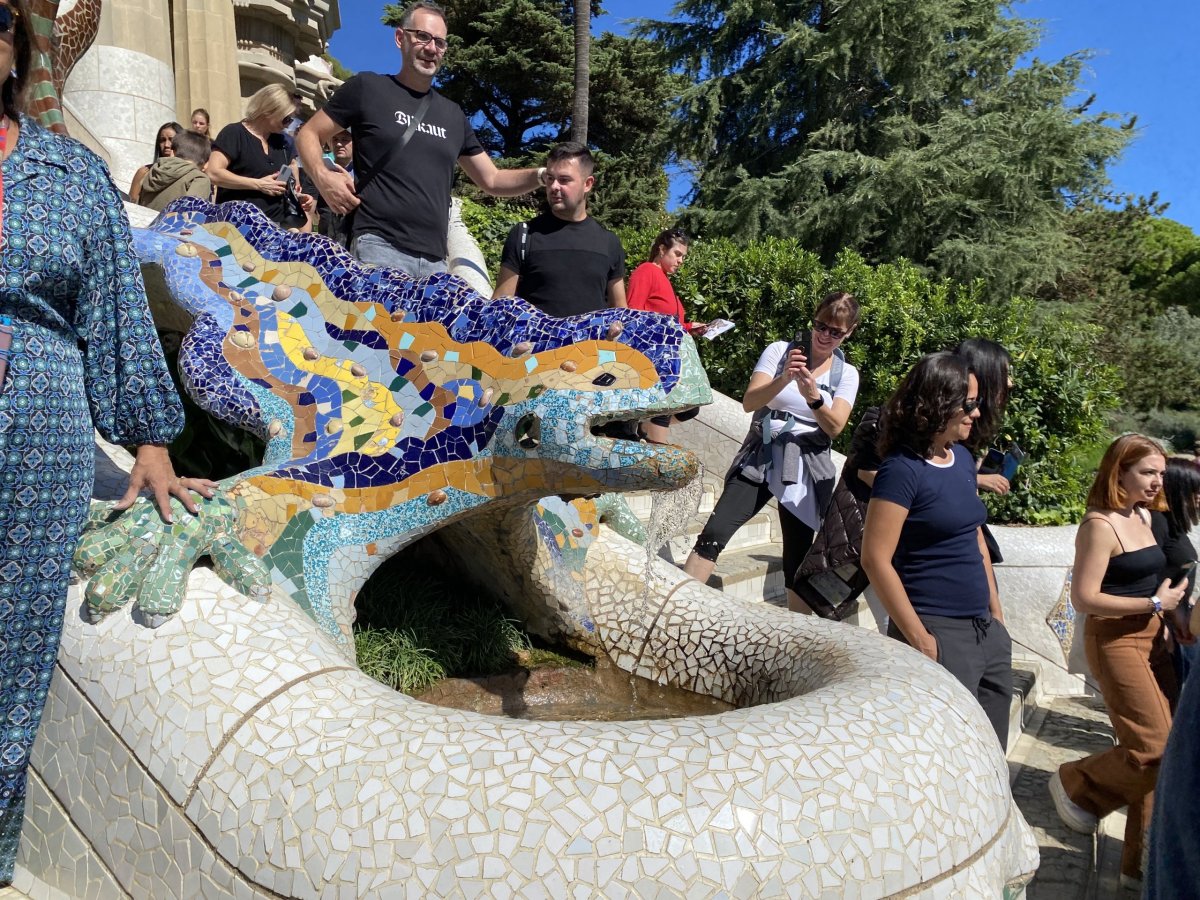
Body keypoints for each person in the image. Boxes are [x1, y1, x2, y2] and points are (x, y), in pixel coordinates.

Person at [0, 0, 215, 882]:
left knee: (15, 633)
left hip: (40, 424)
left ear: (14, 51)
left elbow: (117, 311)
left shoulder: (71, 173)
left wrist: (150, 443)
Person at [296, 0, 542, 278]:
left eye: (440, 42)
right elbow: (308, 133)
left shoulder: (453, 115)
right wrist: (321, 177)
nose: (432, 48)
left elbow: (493, 180)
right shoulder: (368, 88)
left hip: (436, 262)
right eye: (423, 36)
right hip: (378, 246)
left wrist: (544, 174)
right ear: (401, 38)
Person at [1049, 434, 1185, 887]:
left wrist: (1163, 621)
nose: (1156, 481)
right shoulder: (1099, 525)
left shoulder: (1145, 514)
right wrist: (1154, 605)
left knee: (1164, 756)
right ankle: (1076, 781)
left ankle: (1139, 866)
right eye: (1148, 472)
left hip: (1153, 638)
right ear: (1118, 471)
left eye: (1161, 473)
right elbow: (1084, 597)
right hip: (1115, 642)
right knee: (1154, 747)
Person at [860, 352, 1012, 749]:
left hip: (985, 632)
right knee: (946, 755)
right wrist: (922, 640)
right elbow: (875, 558)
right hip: (938, 631)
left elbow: (974, 535)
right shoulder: (902, 470)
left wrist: (996, 616)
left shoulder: (961, 460)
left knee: (990, 757)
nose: (976, 414)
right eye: (970, 403)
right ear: (938, 402)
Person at [682, 292, 861, 613]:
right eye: (821, 326)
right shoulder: (780, 352)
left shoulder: (846, 374)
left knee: (798, 557)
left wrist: (814, 397)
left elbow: (835, 428)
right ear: (814, 319)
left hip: (806, 468)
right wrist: (784, 379)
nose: (824, 336)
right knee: (715, 531)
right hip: (760, 456)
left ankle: (794, 641)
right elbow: (750, 402)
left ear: (850, 332)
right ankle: (675, 612)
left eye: (836, 332)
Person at [493, 143, 627, 317]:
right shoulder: (525, 235)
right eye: (550, 178)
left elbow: (620, 312)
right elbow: (500, 305)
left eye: (564, 180)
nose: (554, 186)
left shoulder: (609, 243)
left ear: (588, 184)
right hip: (533, 343)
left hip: (589, 343)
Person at [625, 228, 706, 442]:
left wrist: (689, 327)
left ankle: (644, 427)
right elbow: (633, 313)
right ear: (662, 249)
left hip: (670, 358)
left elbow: (670, 323)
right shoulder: (647, 271)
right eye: (677, 254)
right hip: (654, 357)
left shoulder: (664, 280)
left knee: (689, 408)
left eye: (683, 257)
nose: (681, 261)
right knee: (665, 408)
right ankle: (656, 449)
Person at [208, 84, 313, 229]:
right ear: (269, 110)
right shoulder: (234, 133)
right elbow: (213, 173)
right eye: (286, 119)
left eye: (291, 120)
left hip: (275, 228)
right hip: (236, 227)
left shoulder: (282, 142)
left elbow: (281, 183)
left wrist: (296, 197)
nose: (288, 125)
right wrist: (258, 184)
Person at [1156, 457, 1199, 684]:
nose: (1199, 497)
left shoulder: (1175, 525)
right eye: (1194, 490)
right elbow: (1151, 578)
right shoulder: (1157, 524)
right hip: (1164, 627)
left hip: (1179, 626)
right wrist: (1163, 620)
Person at [138, 130, 212, 212]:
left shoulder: (153, 171)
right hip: (168, 224)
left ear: (173, 152)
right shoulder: (199, 178)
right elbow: (190, 215)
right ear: (206, 164)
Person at [128, 120, 181, 204]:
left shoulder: (187, 173)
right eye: (162, 140)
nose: (167, 145)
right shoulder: (144, 171)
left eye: (171, 139)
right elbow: (131, 202)